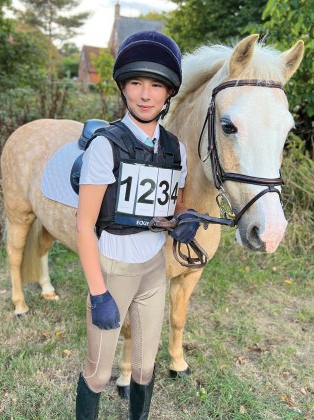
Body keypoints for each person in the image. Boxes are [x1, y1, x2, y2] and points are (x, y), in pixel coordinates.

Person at [75, 31, 200, 420]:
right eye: (136, 83)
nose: (145, 94)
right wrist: (98, 293)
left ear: (168, 94)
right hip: (113, 267)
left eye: (157, 85)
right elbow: (84, 225)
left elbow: (173, 203)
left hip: (154, 270)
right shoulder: (105, 146)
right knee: (98, 373)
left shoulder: (175, 148)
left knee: (145, 368)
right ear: (123, 89)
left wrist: (183, 219)